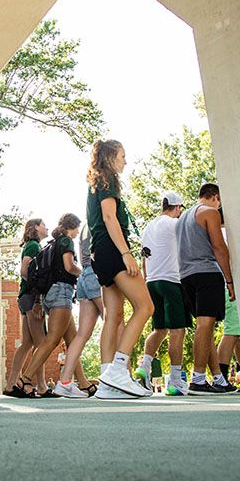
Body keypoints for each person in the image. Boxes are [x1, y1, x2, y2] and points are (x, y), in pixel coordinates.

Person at [85, 139, 154, 398]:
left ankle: (106, 382)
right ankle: (118, 369)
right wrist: (126, 253)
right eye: (123, 156)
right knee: (146, 307)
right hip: (112, 251)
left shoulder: (96, 181)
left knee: (113, 316)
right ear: (111, 157)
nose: (126, 161)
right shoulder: (108, 179)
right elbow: (109, 217)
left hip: (99, 254)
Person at [177, 183, 237, 395]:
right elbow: (219, 248)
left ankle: (218, 379)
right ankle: (198, 379)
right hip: (206, 273)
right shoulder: (210, 213)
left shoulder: (182, 217)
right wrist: (229, 280)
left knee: (206, 328)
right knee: (206, 325)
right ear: (215, 197)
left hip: (186, 276)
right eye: (219, 202)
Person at [135, 192, 191, 395]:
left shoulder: (148, 228)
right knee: (178, 330)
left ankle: (144, 367)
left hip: (152, 283)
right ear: (177, 208)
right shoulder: (174, 224)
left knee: (159, 329)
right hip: (172, 281)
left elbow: (144, 258)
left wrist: (146, 281)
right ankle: (175, 381)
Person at [21, 214, 82, 395]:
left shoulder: (52, 244)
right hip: (62, 292)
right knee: (52, 340)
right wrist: (86, 272)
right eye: (77, 228)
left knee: (73, 340)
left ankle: (82, 383)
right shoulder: (66, 242)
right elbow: (69, 266)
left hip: (49, 294)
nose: (78, 232)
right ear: (73, 226)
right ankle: (25, 379)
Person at [56, 224, 103, 398]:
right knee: (115, 323)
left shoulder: (84, 227)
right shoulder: (102, 220)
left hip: (84, 277)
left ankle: (65, 382)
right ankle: (115, 379)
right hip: (96, 274)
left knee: (82, 334)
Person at [5, 218, 46, 398]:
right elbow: (24, 271)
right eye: (44, 225)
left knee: (27, 343)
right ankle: (42, 386)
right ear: (36, 227)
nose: (47, 228)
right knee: (41, 343)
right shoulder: (33, 246)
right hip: (30, 297)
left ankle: (11, 384)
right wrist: (38, 294)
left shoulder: (31, 245)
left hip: (24, 297)